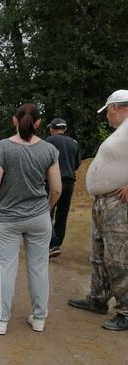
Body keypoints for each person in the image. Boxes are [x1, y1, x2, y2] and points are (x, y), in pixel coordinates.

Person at [0, 103, 61, 335]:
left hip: (8, 219)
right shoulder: (49, 150)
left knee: (7, 268)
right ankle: (39, 318)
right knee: (39, 268)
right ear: (38, 123)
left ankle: (1, 320)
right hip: (39, 217)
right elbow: (56, 189)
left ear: (14, 121)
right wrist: (45, 209)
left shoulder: (3, 147)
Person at [68, 89, 128, 331]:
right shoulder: (122, 131)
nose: (106, 118)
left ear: (115, 107)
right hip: (105, 202)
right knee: (100, 254)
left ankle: (126, 311)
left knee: (119, 258)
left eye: (107, 113)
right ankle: (97, 298)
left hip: (119, 205)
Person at [45, 118, 81, 258]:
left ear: (52, 129)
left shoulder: (48, 141)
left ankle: (52, 244)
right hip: (69, 181)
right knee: (62, 214)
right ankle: (57, 244)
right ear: (64, 129)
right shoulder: (74, 143)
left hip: (51, 181)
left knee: (46, 211)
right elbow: (77, 164)